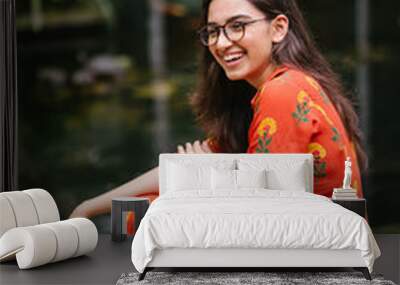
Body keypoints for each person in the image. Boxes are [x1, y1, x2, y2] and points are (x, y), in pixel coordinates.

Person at [70, 0, 367, 219]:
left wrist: (208, 174)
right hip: (301, 241)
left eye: (237, 26)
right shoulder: (280, 87)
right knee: (152, 203)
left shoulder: (283, 92)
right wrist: (90, 207)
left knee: (153, 211)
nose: (221, 43)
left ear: (278, 28)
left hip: (318, 255)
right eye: (213, 31)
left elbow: (263, 208)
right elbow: (176, 168)